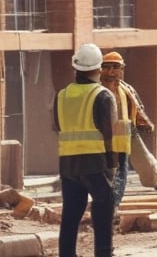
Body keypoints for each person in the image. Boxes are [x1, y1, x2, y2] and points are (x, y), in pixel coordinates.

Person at [54, 43, 117, 257]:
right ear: (99, 69)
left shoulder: (61, 95)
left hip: (68, 165)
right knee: (103, 212)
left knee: (70, 217)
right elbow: (109, 134)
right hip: (96, 163)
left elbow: (58, 126)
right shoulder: (102, 95)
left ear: (76, 67)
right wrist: (112, 165)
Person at [99, 51, 157, 212]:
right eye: (107, 67)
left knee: (143, 160)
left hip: (126, 130)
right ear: (100, 69)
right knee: (111, 171)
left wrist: (144, 123)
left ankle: (155, 181)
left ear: (122, 69)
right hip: (104, 135)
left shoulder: (126, 89)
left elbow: (137, 107)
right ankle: (109, 204)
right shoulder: (97, 90)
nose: (111, 71)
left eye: (116, 67)